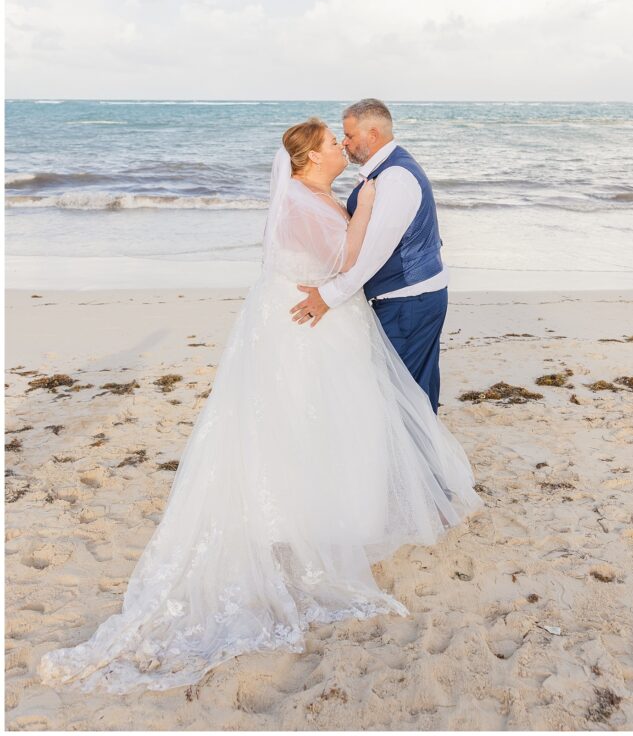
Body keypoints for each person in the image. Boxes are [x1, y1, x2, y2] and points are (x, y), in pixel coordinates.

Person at [37, 117, 483, 695]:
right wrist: (366, 208)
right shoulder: (304, 202)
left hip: (318, 319)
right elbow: (347, 261)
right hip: (310, 321)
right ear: (307, 159)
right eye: (330, 143)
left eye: (343, 138)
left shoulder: (315, 193)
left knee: (330, 420)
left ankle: (340, 510)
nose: (339, 147)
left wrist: (360, 214)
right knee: (314, 419)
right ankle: (320, 518)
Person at [290, 99, 449, 413]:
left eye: (348, 135)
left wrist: (328, 296)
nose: (344, 142)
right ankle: (423, 459)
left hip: (409, 298)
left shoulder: (396, 179)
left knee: (400, 396)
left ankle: (415, 460)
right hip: (408, 296)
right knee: (411, 392)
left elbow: (374, 252)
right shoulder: (383, 172)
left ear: (373, 134)